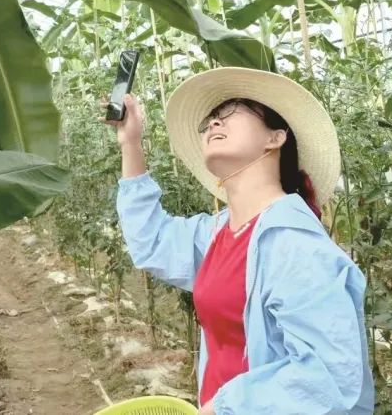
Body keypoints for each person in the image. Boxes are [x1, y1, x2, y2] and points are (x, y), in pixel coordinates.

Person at [102, 66, 375, 415]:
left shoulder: (295, 246)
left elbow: (331, 376)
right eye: (211, 119)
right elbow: (152, 241)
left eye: (231, 112)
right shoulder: (220, 233)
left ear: (275, 137)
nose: (215, 122)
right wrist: (131, 143)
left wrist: (225, 405)